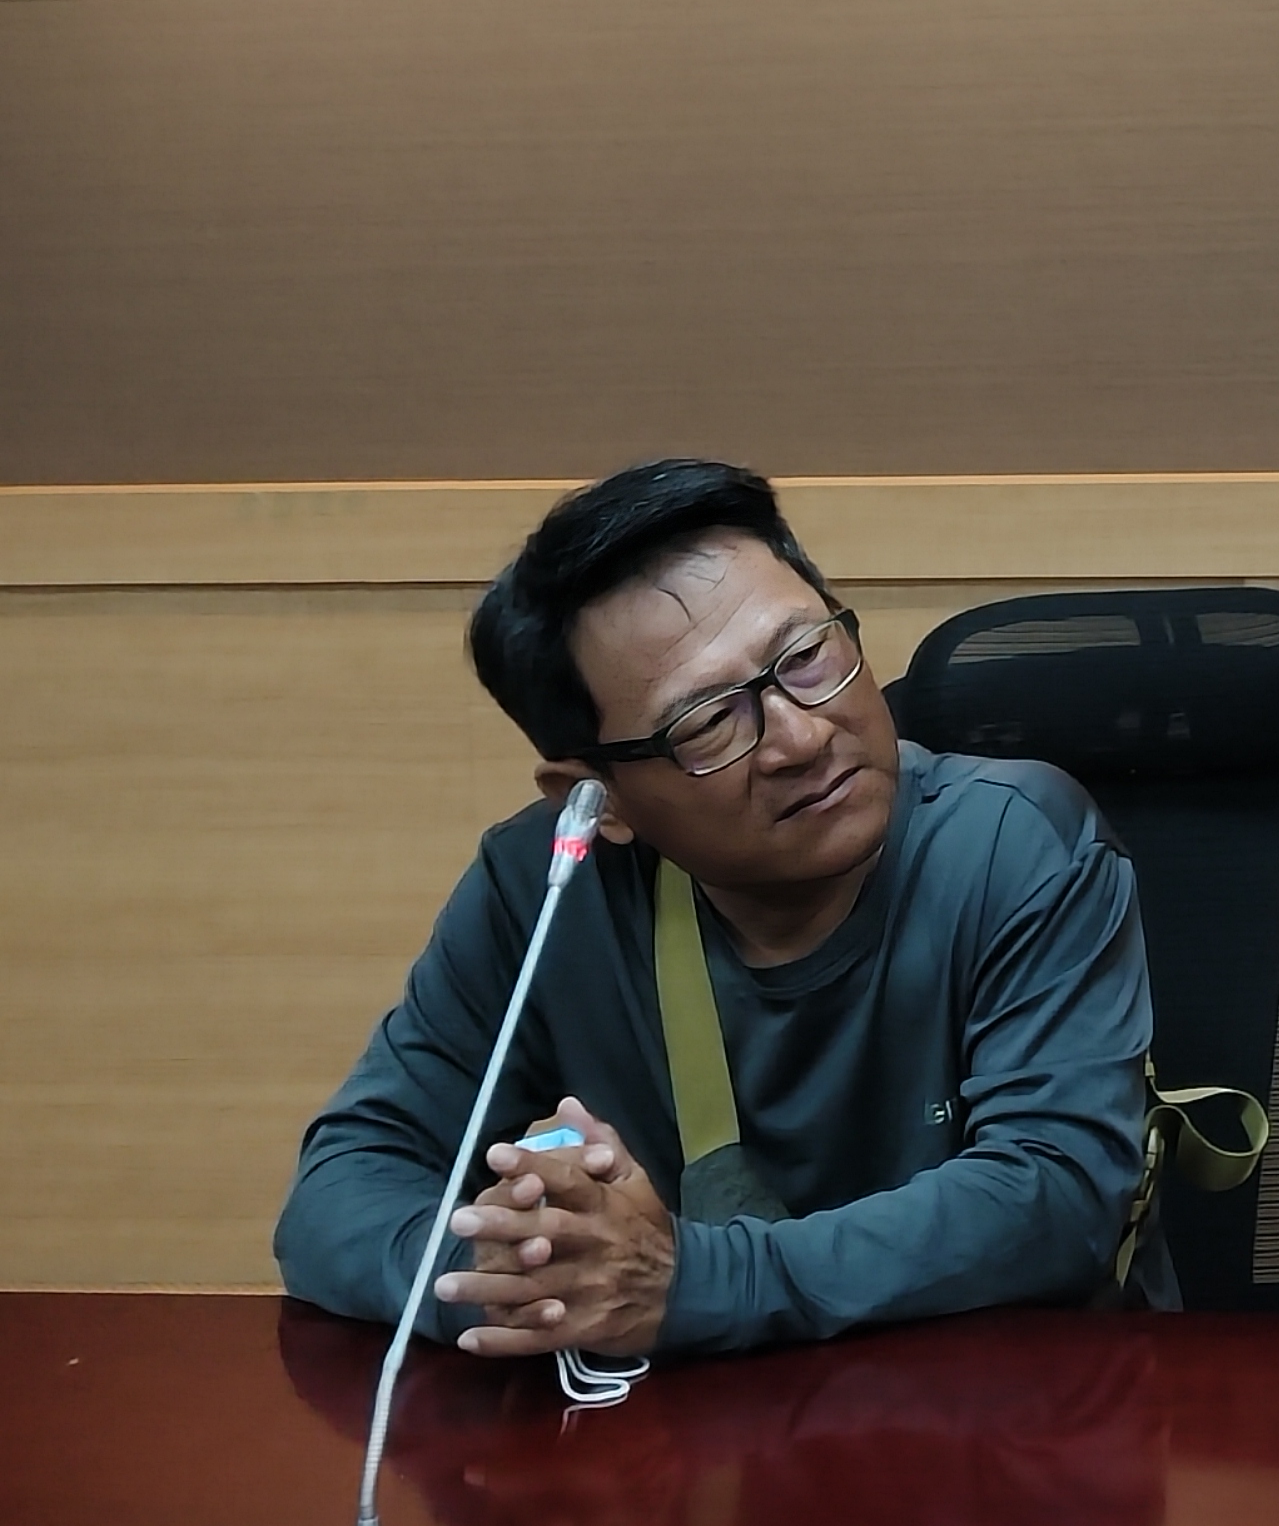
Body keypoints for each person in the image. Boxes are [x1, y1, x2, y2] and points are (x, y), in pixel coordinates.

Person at [276, 460, 1162, 1359]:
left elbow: (1054, 1200)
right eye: (707, 722)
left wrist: (692, 1284)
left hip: (1003, 1409)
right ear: (595, 800)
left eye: (807, 657)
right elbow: (341, 1191)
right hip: (699, 1428)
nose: (801, 737)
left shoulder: (1014, 842)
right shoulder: (544, 890)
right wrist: (528, 1283)